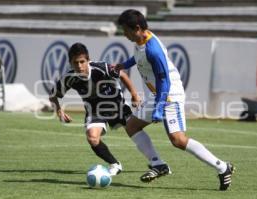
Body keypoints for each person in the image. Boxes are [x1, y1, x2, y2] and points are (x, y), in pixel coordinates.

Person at [114, 9, 235, 190]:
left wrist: (159, 107)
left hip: (168, 95)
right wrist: (124, 65)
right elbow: (139, 57)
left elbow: (164, 81)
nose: (124, 34)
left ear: (137, 28)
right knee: (131, 125)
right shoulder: (141, 40)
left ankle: (222, 167)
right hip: (156, 95)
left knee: (178, 140)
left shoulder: (153, 49)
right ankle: (158, 164)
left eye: (125, 30)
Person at [49, 42, 168, 176]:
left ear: (88, 60)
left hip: (118, 106)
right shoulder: (69, 78)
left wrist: (134, 95)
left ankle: (157, 162)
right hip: (95, 111)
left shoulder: (102, 68)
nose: (79, 66)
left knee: (134, 129)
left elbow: (122, 75)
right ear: (70, 63)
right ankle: (114, 164)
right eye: (75, 63)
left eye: (82, 61)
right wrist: (59, 110)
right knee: (92, 138)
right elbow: (53, 96)